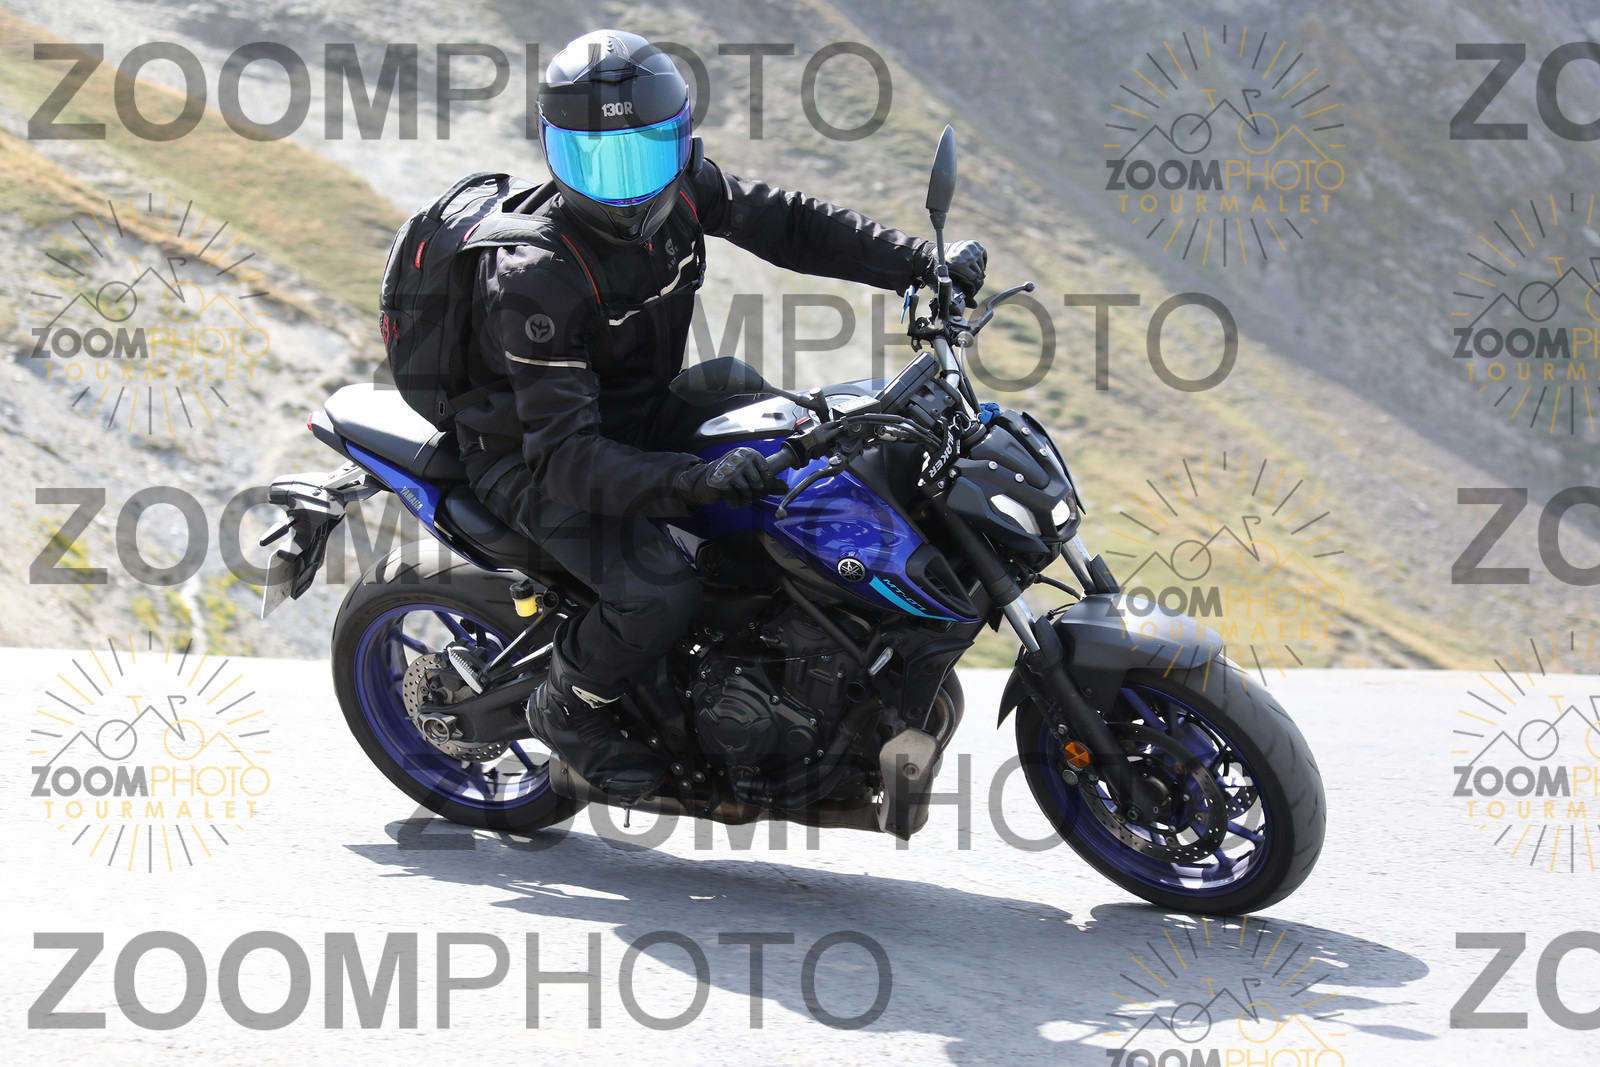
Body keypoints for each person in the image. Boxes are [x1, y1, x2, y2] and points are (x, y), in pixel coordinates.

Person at [457, 29, 987, 800]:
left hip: (637, 412)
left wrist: (918, 262)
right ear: (553, 151)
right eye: (594, 162)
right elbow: (568, 459)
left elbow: (790, 223)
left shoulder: (686, 191)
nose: (623, 190)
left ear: (679, 144)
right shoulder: (536, 274)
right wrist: (693, 480)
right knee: (658, 590)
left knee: (803, 459)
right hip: (532, 456)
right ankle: (567, 708)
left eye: (641, 159)